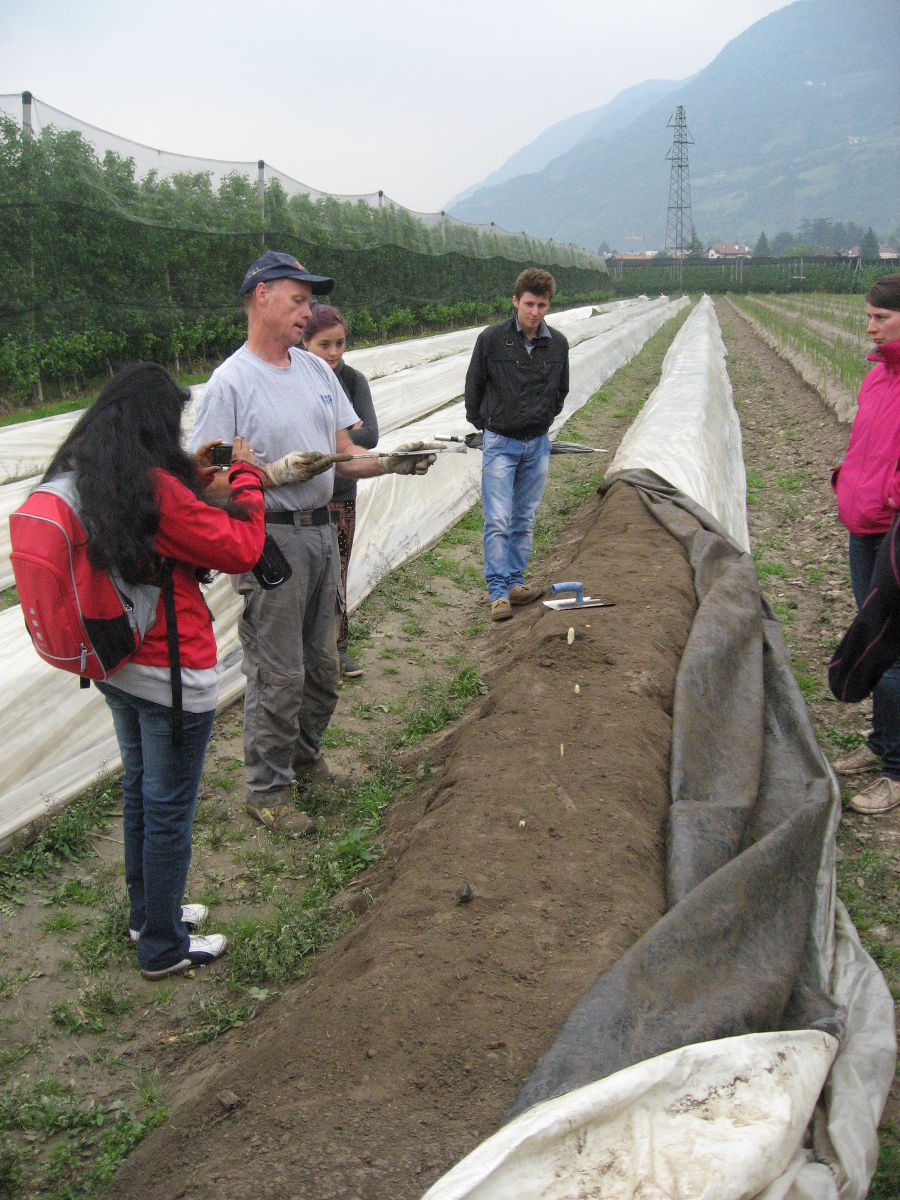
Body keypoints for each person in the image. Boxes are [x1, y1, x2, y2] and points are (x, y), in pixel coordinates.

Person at [189, 250, 435, 834]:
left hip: (322, 531)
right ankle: (267, 789)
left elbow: (343, 457)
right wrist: (269, 476)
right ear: (261, 295)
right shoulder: (230, 384)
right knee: (279, 674)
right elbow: (203, 484)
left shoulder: (317, 372)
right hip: (268, 540)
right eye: (298, 300)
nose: (307, 312)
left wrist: (391, 462)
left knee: (323, 668)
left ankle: (305, 760)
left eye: (309, 302)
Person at [41, 363, 268, 979]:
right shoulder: (154, 490)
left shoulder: (87, 469)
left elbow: (161, 504)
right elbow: (240, 546)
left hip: (116, 663)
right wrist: (245, 475)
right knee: (170, 809)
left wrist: (195, 468)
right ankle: (163, 947)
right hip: (172, 671)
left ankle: (149, 914)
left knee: (142, 794)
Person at [830, 272, 900, 815]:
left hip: (894, 529)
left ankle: (896, 772)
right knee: (873, 638)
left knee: (894, 648)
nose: (870, 327)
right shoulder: (878, 376)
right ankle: (880, 743)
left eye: (882, 318)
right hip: (865, 525)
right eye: (869, 316)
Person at [464, 267, 569, 622]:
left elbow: (561, 391)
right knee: (497, 518)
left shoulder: (557, 345)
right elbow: (474, 386)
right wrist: (486, 424)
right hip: (501, 443)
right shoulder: (492, 340)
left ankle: (515, 582)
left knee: (523, 518)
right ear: (515, 302)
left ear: (548, 306)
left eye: (541, 305)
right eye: (529, 304)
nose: (535, 312)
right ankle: (497, 593)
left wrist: (543, 419)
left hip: (537, 444)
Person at [301, 304, 378, 679]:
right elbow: (352, 434)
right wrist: (341, 434)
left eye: (340, 343)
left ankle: (338, 648)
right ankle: (306, 654)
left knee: (337, 573)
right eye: (324, 344)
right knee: (301, 578)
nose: (334, 353)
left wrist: (324, 441)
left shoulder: (353, 380)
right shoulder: (294, 379)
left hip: (340, 492)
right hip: (299, 496)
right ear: (304, 342)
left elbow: (370, 434)